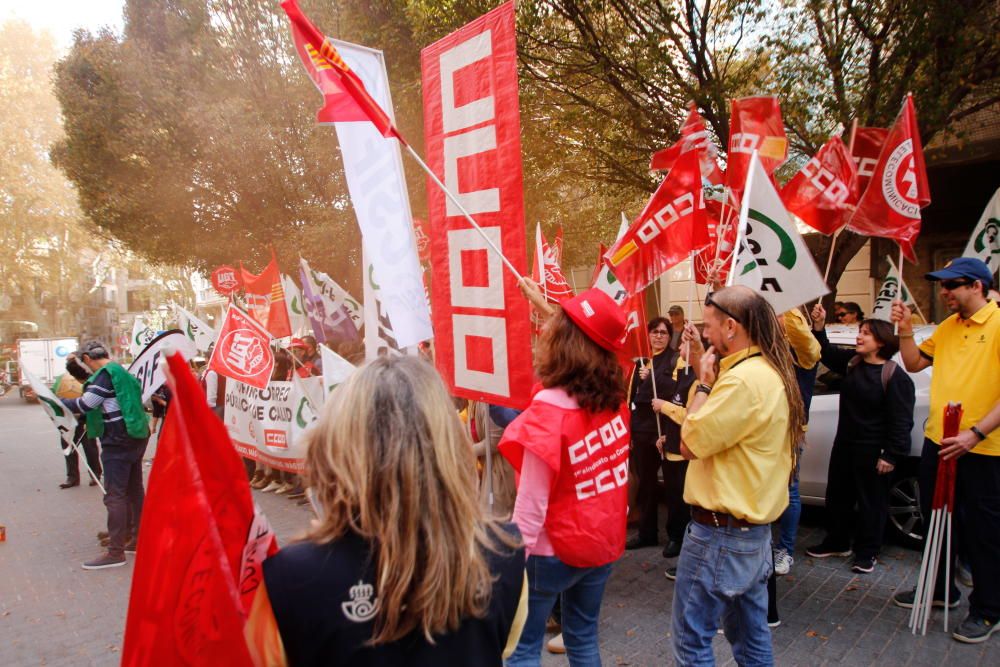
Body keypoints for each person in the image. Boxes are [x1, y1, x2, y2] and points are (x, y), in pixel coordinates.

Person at [244, 356, 526, 666]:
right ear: (448, 445)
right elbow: (501, 646)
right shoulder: (505, 552)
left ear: (336, 446)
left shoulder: (289, 578)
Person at [671, 286, 803, 665]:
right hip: (750, 534)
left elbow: (690, 442)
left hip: (720, 536)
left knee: (690, 640)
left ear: (731, 327)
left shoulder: (741, 381)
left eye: (709, 326)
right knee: (750, 637)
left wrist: (706, 383)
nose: (705, 333)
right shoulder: (764, 372)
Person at [500, 286, 630, 666]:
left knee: (522, 650)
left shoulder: (548, 415)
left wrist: (512, 564)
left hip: (548, 552)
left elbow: (531, 505)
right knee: (583, 640)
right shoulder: (616, 403)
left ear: (563, 342)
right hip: (600, 543)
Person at [890, 257, 1000, 644]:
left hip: (984, 450)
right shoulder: (947, 326)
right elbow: (913, 362)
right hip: (939, 441)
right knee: (937, 518)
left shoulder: (999, 324)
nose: (944, 293)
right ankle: (940, 590)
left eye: (952, 285)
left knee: (984, 531)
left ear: (977, 286)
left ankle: (988, 610)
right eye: (942, 285)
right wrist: (904, 330)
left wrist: (975, 433)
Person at [805, 305, 914, 573]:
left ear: (881, 341)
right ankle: (837, 542)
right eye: (860, 332)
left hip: (873, 449)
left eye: (865, 333)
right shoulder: (854, 364)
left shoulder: (894, 376)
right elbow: (826, 354)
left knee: (871, 503)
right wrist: (819, 326)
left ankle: (867, 552)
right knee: (838, 496)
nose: (859, 337)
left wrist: (890, 454)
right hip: (845, 444)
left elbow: (901, 420)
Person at [60, 340, 150, 570]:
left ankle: (116, 551)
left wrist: (56, 403)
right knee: (134, 489)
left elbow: (86, 404)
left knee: (115, 495)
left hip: (117, 440)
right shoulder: (121, 371)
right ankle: (137, 539)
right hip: (136, 436)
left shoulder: (103, 375)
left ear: (88, 359)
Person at [628, 316, 697, 557]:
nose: (658, 336)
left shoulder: (676, 359)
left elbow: (676, 392)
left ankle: (676, 536)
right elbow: (633, 397)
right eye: (654, 332)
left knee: (673, 488)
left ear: (670, 336)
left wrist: (653, 379)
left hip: (665, 430)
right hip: (643, 431)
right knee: (646, 485)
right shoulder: (642, 362)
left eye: (663, 332)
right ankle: (647, 532)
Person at [54, 365, 102, 488]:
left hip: (84, 418)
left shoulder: (89, 380)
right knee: (68, 447)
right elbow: (54, 395)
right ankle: (72, 477)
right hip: (68, 420)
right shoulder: (61, 379)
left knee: (90, 448)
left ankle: (95, 475)